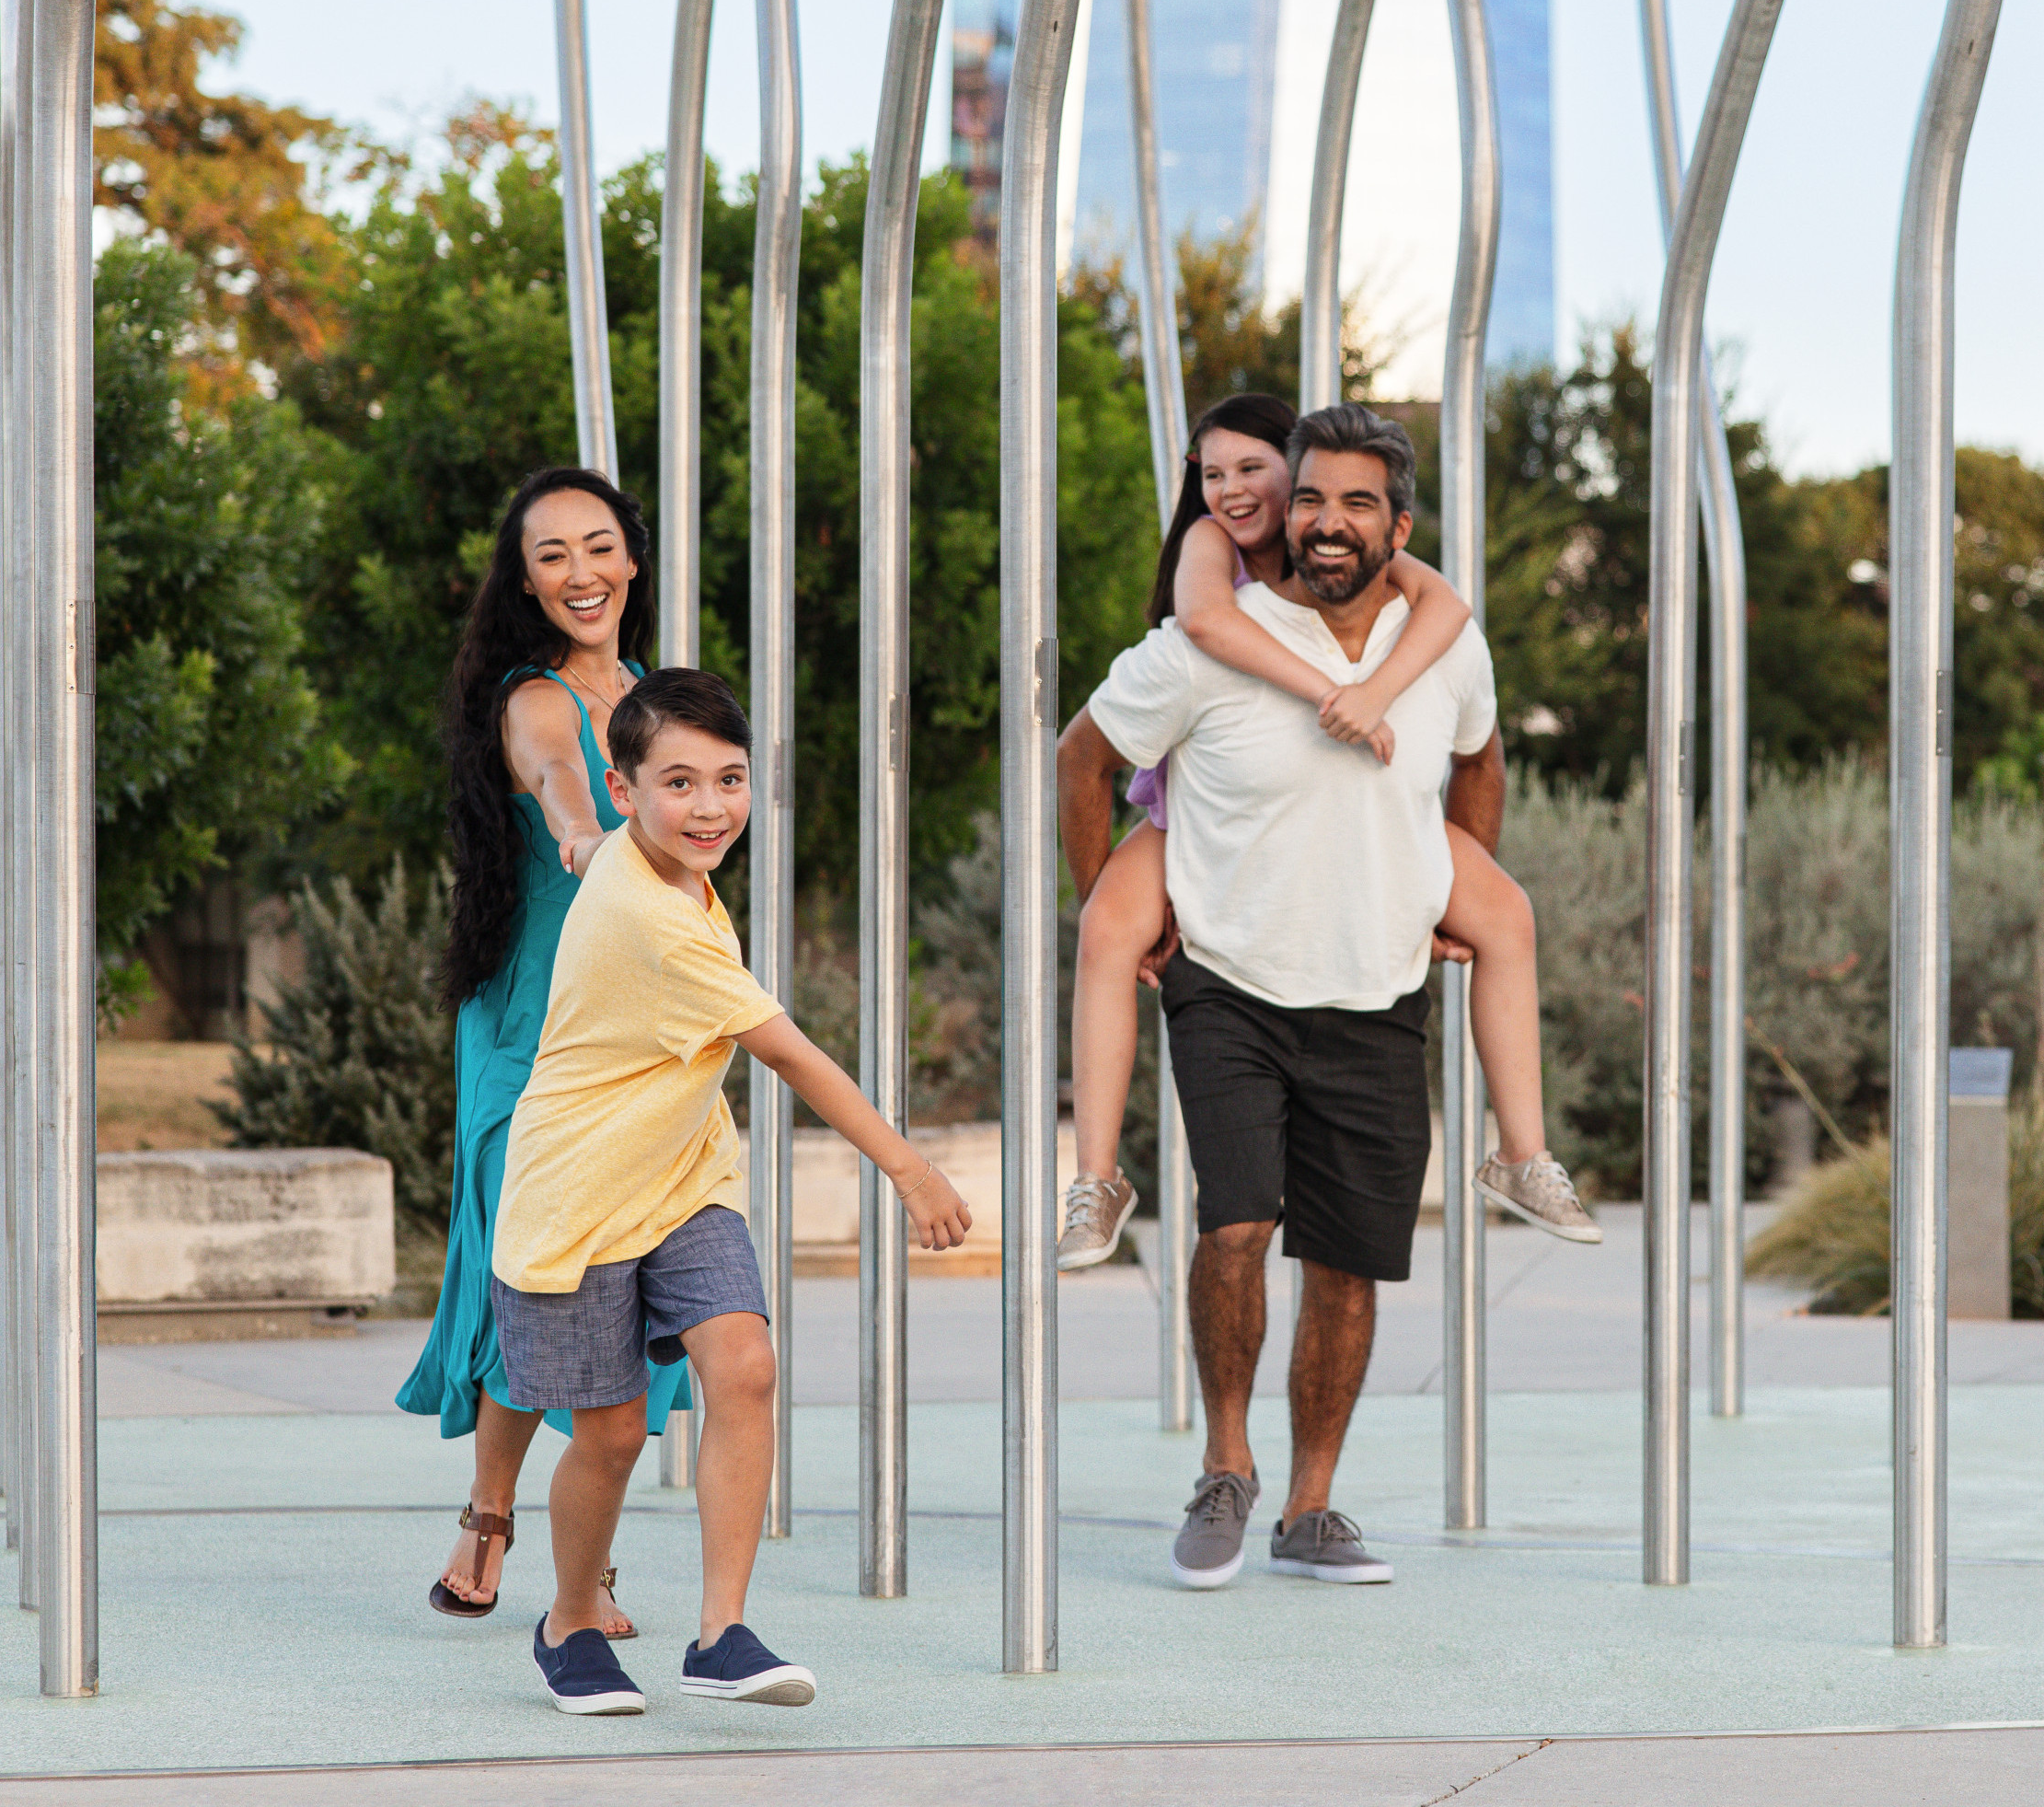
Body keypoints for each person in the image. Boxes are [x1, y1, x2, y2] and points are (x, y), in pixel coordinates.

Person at [1057, 403, 1511, 1590]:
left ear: (1396, 526)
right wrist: (1115, 898)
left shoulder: (1443, 643)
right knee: (1236, 1226)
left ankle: (1312, 1507)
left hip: (1376, 995)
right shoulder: (1207, 637)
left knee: (1350, 1264)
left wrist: (1449, 890)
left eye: (1357, 503)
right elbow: (1081, 758)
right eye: (1308, 498)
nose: (1324, 522)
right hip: (1229, 984)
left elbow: (1480, 756)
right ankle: (1226, 1466)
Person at [494, 666, 972, 1716]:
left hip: (683, 1170)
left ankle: (722, 1633)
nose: (709, 808)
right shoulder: (650, 916)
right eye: (678, 783)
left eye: (730, 779)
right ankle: (568, 1620)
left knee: (743, 1365)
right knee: (613, 1435)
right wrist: (908, 1166)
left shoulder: (670, 870)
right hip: (577, 1191)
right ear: (625, 793)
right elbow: (791, 1057)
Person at [1057, 395, 1591, 1274]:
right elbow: (1202, 624)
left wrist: (1431, 869)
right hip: (1192, 801)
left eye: (1253, 471)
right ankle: (1096, 1175)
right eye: (1214, 474)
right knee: (1109, 927)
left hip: (1361, 833)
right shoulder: (1211, 554)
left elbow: (1449, 621)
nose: (1236, 492)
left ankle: (1523, 1151)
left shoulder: (1399, 583)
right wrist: (1331, 691)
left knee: (1507, 914)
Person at [402, 469, 686, 1635]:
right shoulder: (532, 698)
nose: (582, 573)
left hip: (642, 1036)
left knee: (623, 1285)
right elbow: (562, 783)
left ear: (632, 560)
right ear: (525, 580)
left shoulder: (658, 699)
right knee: (541, 1273)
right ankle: (495, 1514)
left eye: (599, 547)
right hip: (534, 1032)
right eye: (553, 555)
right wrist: (583, 833)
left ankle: (568, 1551)